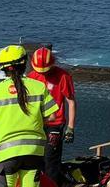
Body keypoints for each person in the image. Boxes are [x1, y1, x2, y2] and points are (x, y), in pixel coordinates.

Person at [0, 45, 60, 187]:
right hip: (33, 150)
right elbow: (52, 117)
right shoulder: (39, 87)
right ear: (25, 64)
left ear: (2, 68)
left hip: (4, 152)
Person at [26, 47, 76, 186]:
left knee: (50, 160)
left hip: (55, 124)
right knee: (35, 158)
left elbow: (71, 102)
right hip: (36, 123)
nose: (43, 73)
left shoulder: (63, 76)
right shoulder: (32, 76)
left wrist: (71, 127)